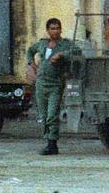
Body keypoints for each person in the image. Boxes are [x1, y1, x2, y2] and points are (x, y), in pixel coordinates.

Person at [26, 18, 82, 155]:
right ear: (48, 30)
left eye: (57, 28)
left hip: (55, 83)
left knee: (52, 114)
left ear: (61, 29)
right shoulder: (43, 43)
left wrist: (61, 55)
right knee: (43, 115)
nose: (55, 31)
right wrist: (31, 63)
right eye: (52, 28)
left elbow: (77, 52)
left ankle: (53, 142)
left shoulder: (65, 44)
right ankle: (48, 141)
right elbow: (30, 51)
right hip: (41, 82)